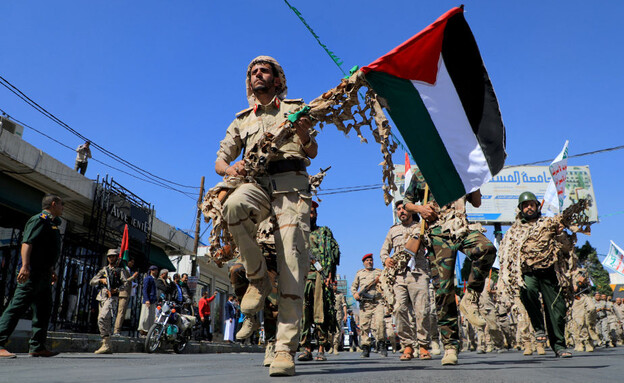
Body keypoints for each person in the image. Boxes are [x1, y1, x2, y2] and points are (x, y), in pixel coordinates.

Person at [214, 55, 317, 376]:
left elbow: (312, 151)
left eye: (265, 71)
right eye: (253, 72)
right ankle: (257, 276)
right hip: (257, 185)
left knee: (291, 264)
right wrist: (232, 168)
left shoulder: (294, 109)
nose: (258, 74)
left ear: (276, 79)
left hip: (291, 190)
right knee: (232, 205)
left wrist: (302, 133)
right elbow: (220, 159)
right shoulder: (242, 120)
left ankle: (284, 348)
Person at [403, 171, 496, 365]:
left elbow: (476, 202)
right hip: (437, 233)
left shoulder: (462, 167)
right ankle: (450, 347)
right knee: (444, 290)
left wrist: (475, 178)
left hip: (460, 227)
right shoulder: (422, 172)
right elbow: (406, 203)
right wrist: (420, 209)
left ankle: (470, 298)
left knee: (486, 249)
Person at [498, 191, 579, 358]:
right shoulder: (514, 232)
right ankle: (538, 327)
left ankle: (559, 346)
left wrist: (559, 234)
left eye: (532, 204)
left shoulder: (550, 225)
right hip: (529, 272)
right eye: (525, 205)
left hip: (550, 272)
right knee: (527, 290)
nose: (529, 208)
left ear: (537, 206)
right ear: (520, 209)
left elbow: (567, 249)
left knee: (557, 309)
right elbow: (506, 256)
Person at [0, 194, 64, 358]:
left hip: (43, 274)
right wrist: (25, 266)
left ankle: (37, 346)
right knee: (16, 308)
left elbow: (47, 251)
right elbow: (27, 243)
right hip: (32, 273)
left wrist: (51, 270)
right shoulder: (39, 220)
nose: (63, 208)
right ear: (53, 204)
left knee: (44, 310)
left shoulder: (52, 223)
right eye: (61, 205)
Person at [380, 200, 431, 360]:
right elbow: (383, 249)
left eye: (404, 208)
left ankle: (423, 346)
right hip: (398, 276)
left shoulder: (421, 226)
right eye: (399, 209)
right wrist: (386, 259)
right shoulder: (393, 230)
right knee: (399, 309)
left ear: (410, 210)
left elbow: (430, 245)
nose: (401, 211)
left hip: (418, 273)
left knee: (422, 310)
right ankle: (407, 345)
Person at [298, 201, 341, 362]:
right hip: (302, 277)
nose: (311, 215)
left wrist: (330, 274)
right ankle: (306, 348)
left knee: (320, 313)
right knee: (304, 315)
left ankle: (321, 348)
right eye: (308, 212)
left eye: (313, 212)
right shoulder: (297, 234)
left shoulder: (324, 232)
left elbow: (334, 254)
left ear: (316, 214)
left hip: (319, 278)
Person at [90, 249, 126, 354]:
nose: (111, 258)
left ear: (116, 258)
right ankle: (107, 344)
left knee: (102, 318)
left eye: (113, 256)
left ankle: (106, 343)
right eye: (109, 256)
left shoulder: (120, 271)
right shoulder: (104, 270)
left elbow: (125, 284)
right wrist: (101, 280)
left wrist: (117, 290)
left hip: (112, 297)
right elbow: (92, 282)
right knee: (104, 320)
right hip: (102, 296)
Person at [351, 253, 385, 358]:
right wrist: (355, 294)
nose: (369, 262)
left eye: (371, 260)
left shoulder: (379, 272)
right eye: (367, 260)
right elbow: (353, 286)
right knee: (364, 326)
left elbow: (386, 284)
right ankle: (365, 348)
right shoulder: (360, 274)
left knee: (380, 324)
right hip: (365, 304)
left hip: (377, 302)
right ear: (363, 263)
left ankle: (381, 345)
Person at [114, 257, 138, 336]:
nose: (133, 264)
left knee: (122, 312)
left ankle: (118, 329)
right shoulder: (123, 269)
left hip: (127, 293)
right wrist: (133, 277)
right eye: (132, 262)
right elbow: (124, 281)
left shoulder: (128, 270)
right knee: (121, 312)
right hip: (122, 293)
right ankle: (116, 330)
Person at [138, 265, 158, 336]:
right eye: (155, 270)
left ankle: (148, 331)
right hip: (148, 300)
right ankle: (143, 330)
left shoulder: (154, 279)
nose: (156, 271)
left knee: (151, 317)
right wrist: (146, 299)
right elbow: (145, 289)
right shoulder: (148, 278)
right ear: (152, 271)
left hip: (152, 300)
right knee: (145, 316)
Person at [329, 282, 347, 355]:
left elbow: (344, 305)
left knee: (337, 330)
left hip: (338, 314)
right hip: (330, 314)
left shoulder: (341, 294)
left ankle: (335, 347)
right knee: (329, 332)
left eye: (336, 285)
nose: (335, 287)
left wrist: (345, 315)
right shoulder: (328, 293)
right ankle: (331, 346)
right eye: (334, 285)